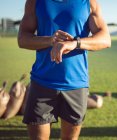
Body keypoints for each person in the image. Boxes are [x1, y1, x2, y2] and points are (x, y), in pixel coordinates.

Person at [18, 0, 111, 139]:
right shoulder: (34, 2)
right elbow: (23, 39)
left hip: (76, 84)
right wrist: (50, 40)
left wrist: (75, 43)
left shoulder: (88, 2)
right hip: (42, 83)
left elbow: (105, 39)